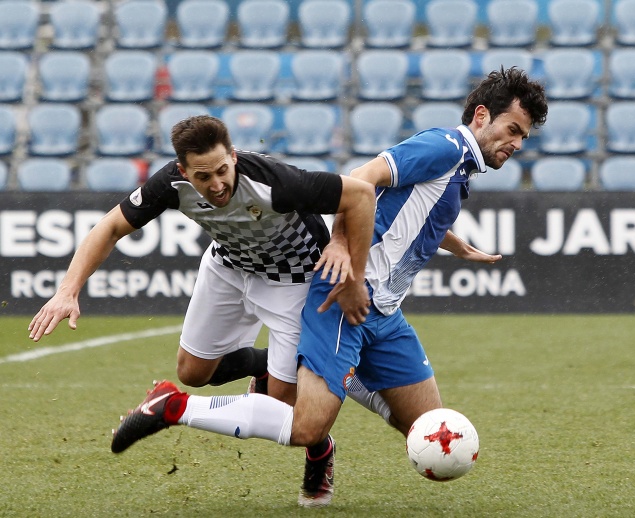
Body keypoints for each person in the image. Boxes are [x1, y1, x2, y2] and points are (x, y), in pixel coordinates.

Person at [111, 68, 549, 507]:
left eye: (523, 137)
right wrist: (343, 249)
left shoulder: (460, 165)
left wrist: (451, 243)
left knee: (428, 425)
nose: (516, 143)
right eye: (512, 130)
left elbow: (406, 207)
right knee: (306, 427)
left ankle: (322, 376)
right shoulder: (446, 145)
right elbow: (363, 180)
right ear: (480, 116)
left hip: (384, 312)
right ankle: (173, 407)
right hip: (345, 298)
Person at [28, 114, 376, 406]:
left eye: (223, 170)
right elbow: (109, 227)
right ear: (183, 169)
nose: (218, 184)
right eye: (203, 177)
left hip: (292, 277)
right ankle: (266, 363)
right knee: (192, 374)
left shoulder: (275, 182)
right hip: (229, 266)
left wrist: (346, 256)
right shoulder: (170, 182)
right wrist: (67, 290)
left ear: (234, 156)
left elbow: (360, 195)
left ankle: (315, 435)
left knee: (283, 403)